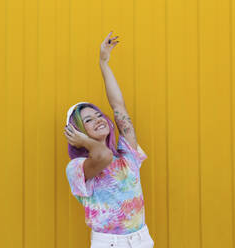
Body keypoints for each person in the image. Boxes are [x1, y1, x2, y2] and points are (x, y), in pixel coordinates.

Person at [63, 31, 155, 248]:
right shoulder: (76, 167)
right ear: (77, 132)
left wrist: (103, 62)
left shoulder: (126, 153)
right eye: (88, 120)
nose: (98, 119)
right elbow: (102, 156)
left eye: (98, 115)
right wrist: (85, 143)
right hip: (110, 244)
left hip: (141, 239)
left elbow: (118, 106)